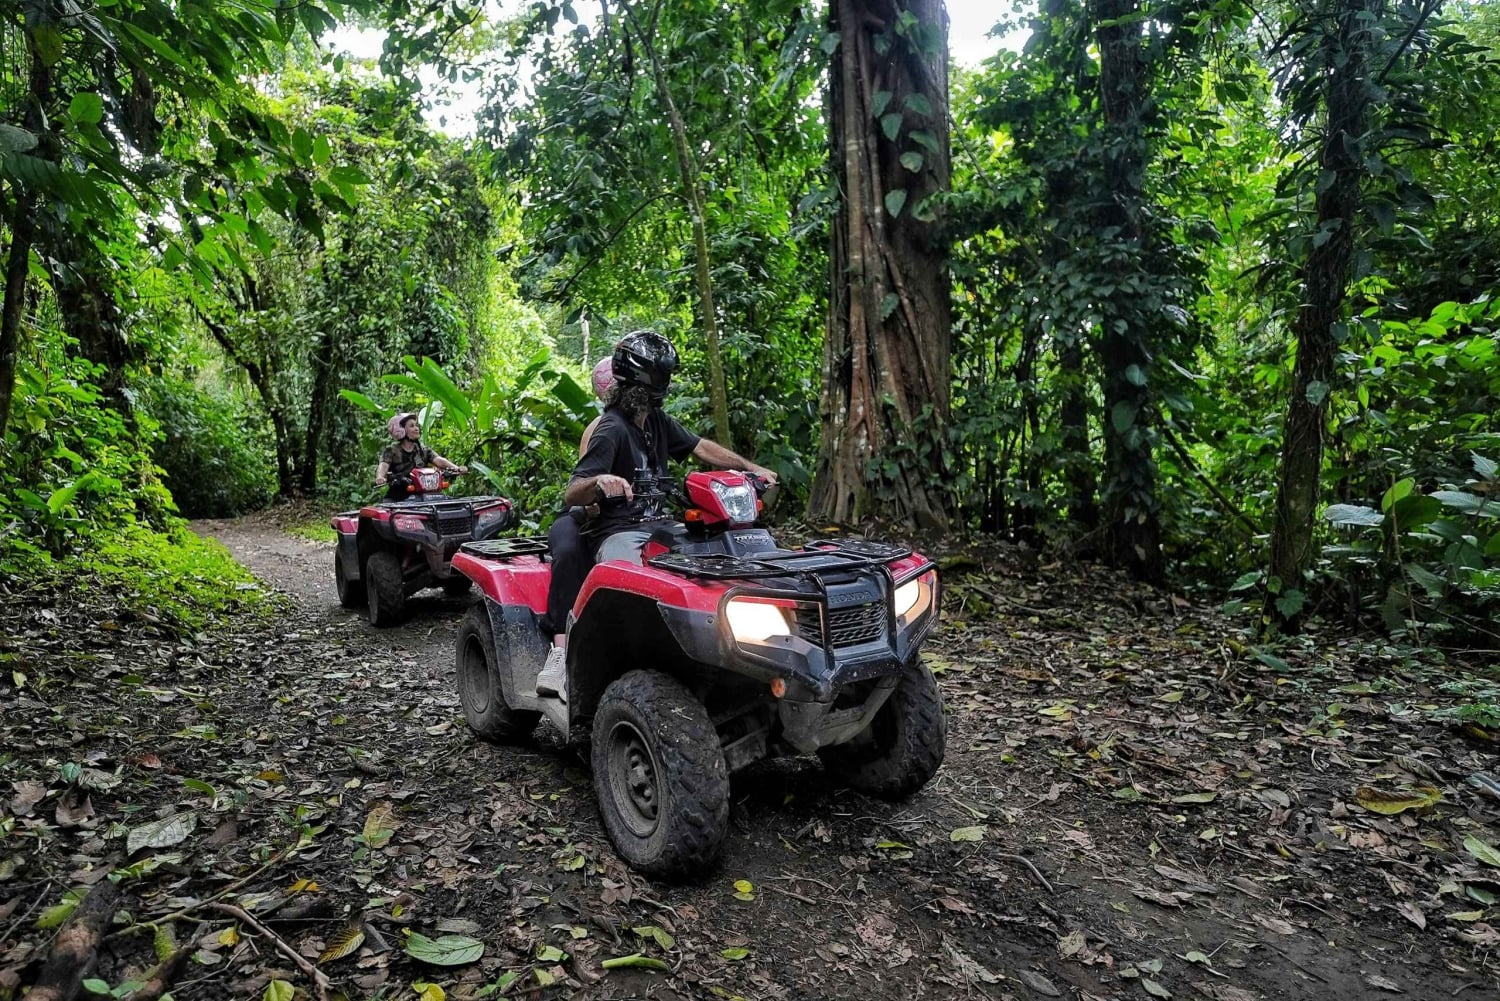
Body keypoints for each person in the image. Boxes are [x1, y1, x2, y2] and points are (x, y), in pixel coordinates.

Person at [537, 331, 778, 700]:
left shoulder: (657, 422)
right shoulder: (611, 429)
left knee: (715, 564)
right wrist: (601, 480)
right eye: (663, 378)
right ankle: (582, 658)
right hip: (617, 530)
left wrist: (751, 467)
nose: (667, 385)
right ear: (645, 383)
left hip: (660, 527)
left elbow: (702, 448)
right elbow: (574, 490)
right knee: (626, 588)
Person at [375, 412, 467, 500]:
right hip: (400, 495)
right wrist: (380, 477)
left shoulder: (424, 450)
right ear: (401, 429)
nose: (416, 428)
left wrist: (456, 468)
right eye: (411, 426)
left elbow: (439, 460)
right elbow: (383, 465)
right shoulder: (391, 450)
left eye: (416, 425)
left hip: (425, 493)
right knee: (388, 512)